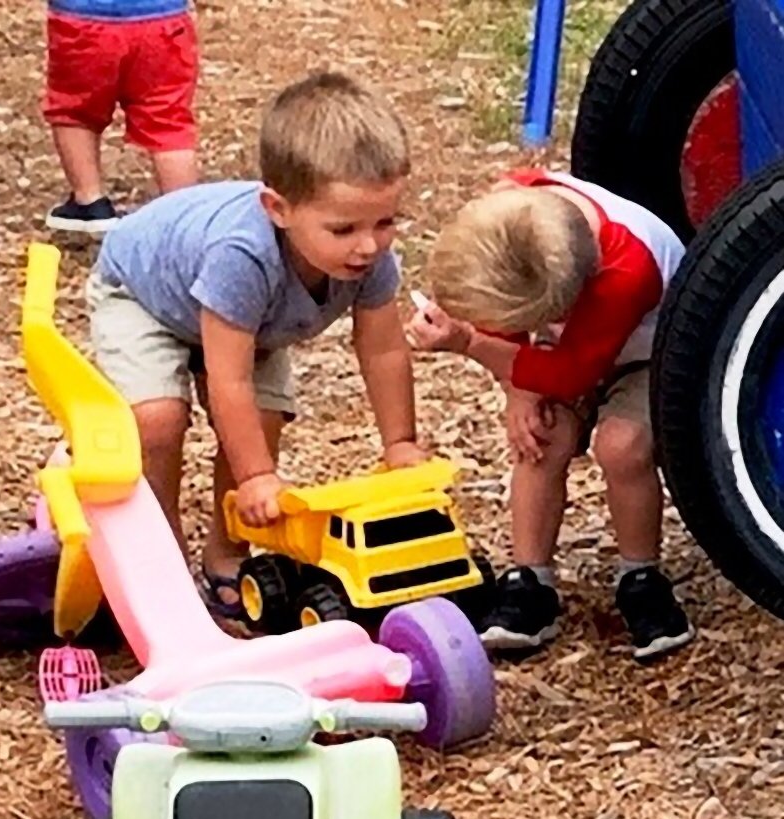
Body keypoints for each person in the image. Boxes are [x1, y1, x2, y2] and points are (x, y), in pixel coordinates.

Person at [86, 71, 425, 601]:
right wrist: (257, 476)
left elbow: (383, 350)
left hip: (248, 321)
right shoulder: (241, 255)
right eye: (344, 229)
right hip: (145, 296)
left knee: (263, 421)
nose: (368, 245)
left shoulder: (370, 257)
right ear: (278, 210)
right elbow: (230, 379)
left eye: (385, 222)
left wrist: (400, 443)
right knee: (157, 421)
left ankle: (228, 551)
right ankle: (160, 555)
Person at [407, 168, 695, 661]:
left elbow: (569, 375)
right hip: (564, 349)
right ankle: (530, 580)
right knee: (539, 436)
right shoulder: (513, 208)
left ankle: (641, 575)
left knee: (621, 445)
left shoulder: (626, 272)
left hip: (649, 356)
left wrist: (470, 343)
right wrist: (517, 390)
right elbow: (511, 325)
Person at [43, 0, 201, 233]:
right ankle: (183, 215)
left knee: (75, 110)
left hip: (83, 19)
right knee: (168, 121)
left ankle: (89, 201)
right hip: (164, 19)